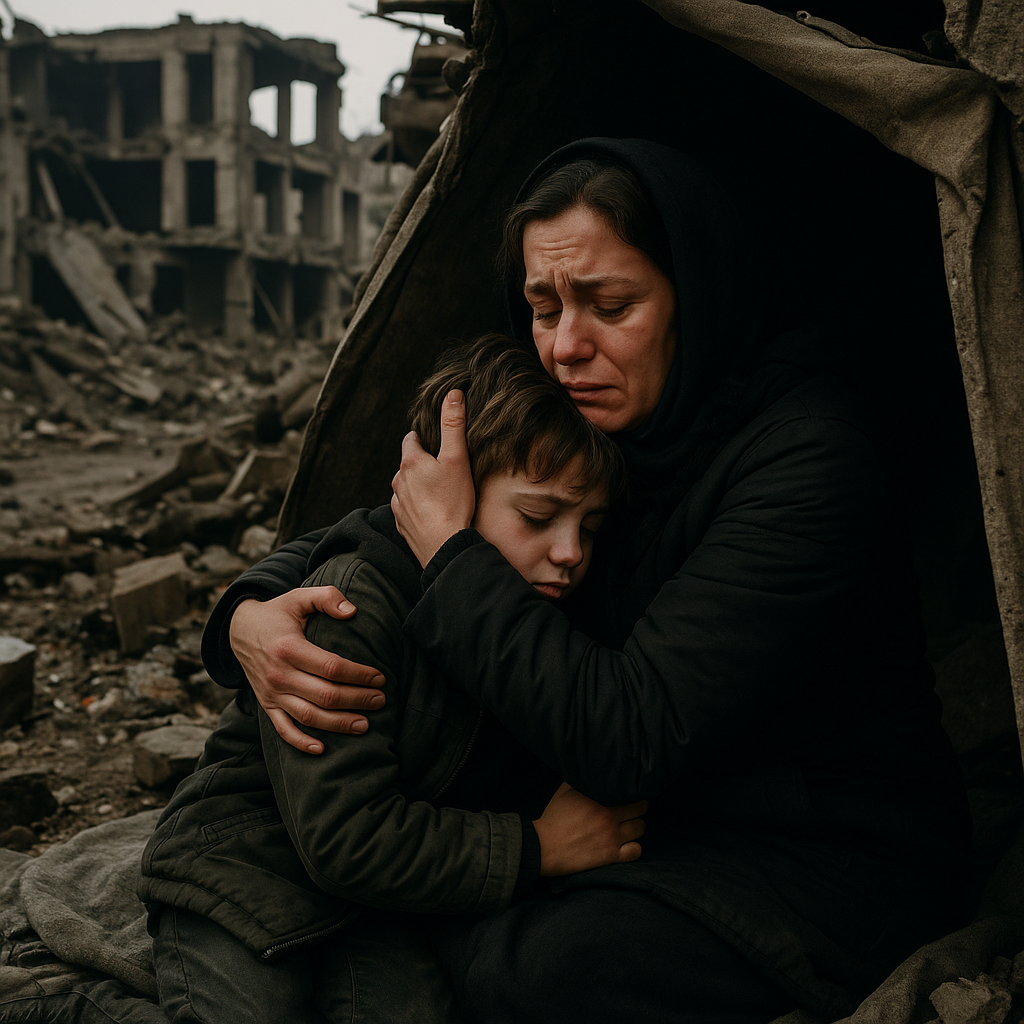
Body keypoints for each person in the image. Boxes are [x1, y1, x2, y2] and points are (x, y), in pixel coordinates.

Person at [202, 139, 971, 1023]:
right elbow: (389, 523)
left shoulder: (808, 462)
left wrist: (454, 556)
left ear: (698, 293)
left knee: (536, 968)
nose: (566, 346)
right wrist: (248, 615)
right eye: (543, 305)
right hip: (638, 821)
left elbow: (631, 734)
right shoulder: (594, 420)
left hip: (813, 850)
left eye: (612, 304)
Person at [138, 334, 645, 1024]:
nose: (568, 552)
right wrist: (539, 846)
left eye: (589, 525)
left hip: (383, 908)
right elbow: (348, 837)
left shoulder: (539, 617)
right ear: (447, 496)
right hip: (242, 876)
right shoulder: (350, 608)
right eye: (537, 516)